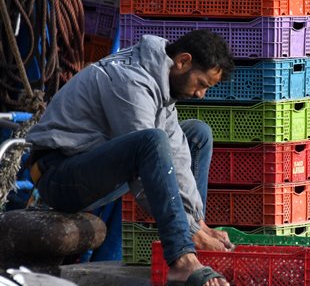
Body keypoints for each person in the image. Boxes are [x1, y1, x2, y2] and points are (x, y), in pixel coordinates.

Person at [25, 30, 235, 286]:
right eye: (201, 84)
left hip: (94, 168)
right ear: (183, 62)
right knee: (151, 141)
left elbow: (177, 155)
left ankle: (192, 238)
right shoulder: (131, 80)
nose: (201, 94)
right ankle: (182, 259)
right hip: (58, 175)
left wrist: (198, 223)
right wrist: (186, 229)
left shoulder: (163, 82)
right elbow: (146, 168)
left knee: (196, 135)